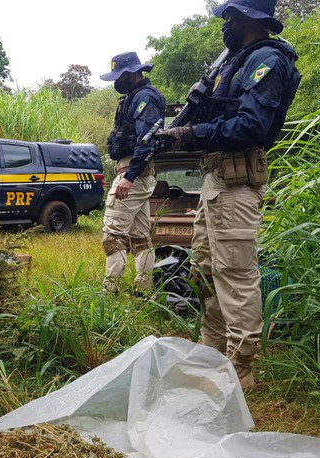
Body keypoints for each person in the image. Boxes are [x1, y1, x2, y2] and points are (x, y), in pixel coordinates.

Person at [151, 0, 301, 389]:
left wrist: (192, 134)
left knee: (235, 273)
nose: (224, 26)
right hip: (215, 182)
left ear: (248, 19)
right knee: (204, 268)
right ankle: (212, 352)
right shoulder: (235, 61)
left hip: (237, 184)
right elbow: (221, 116)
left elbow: (251, 125)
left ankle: (241, 368)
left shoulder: (266, 59)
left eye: (229, 18)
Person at [99, 53, 165, 295]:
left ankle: (110, 292)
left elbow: (147, 140)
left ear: (133, 74)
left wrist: (129, 177)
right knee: (140, 238)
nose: (117, 81)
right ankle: (144, 290)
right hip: (137, 172)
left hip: (133, 173)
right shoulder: (135, 97)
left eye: (120, 76)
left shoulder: (144, 98)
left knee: (113, 236)